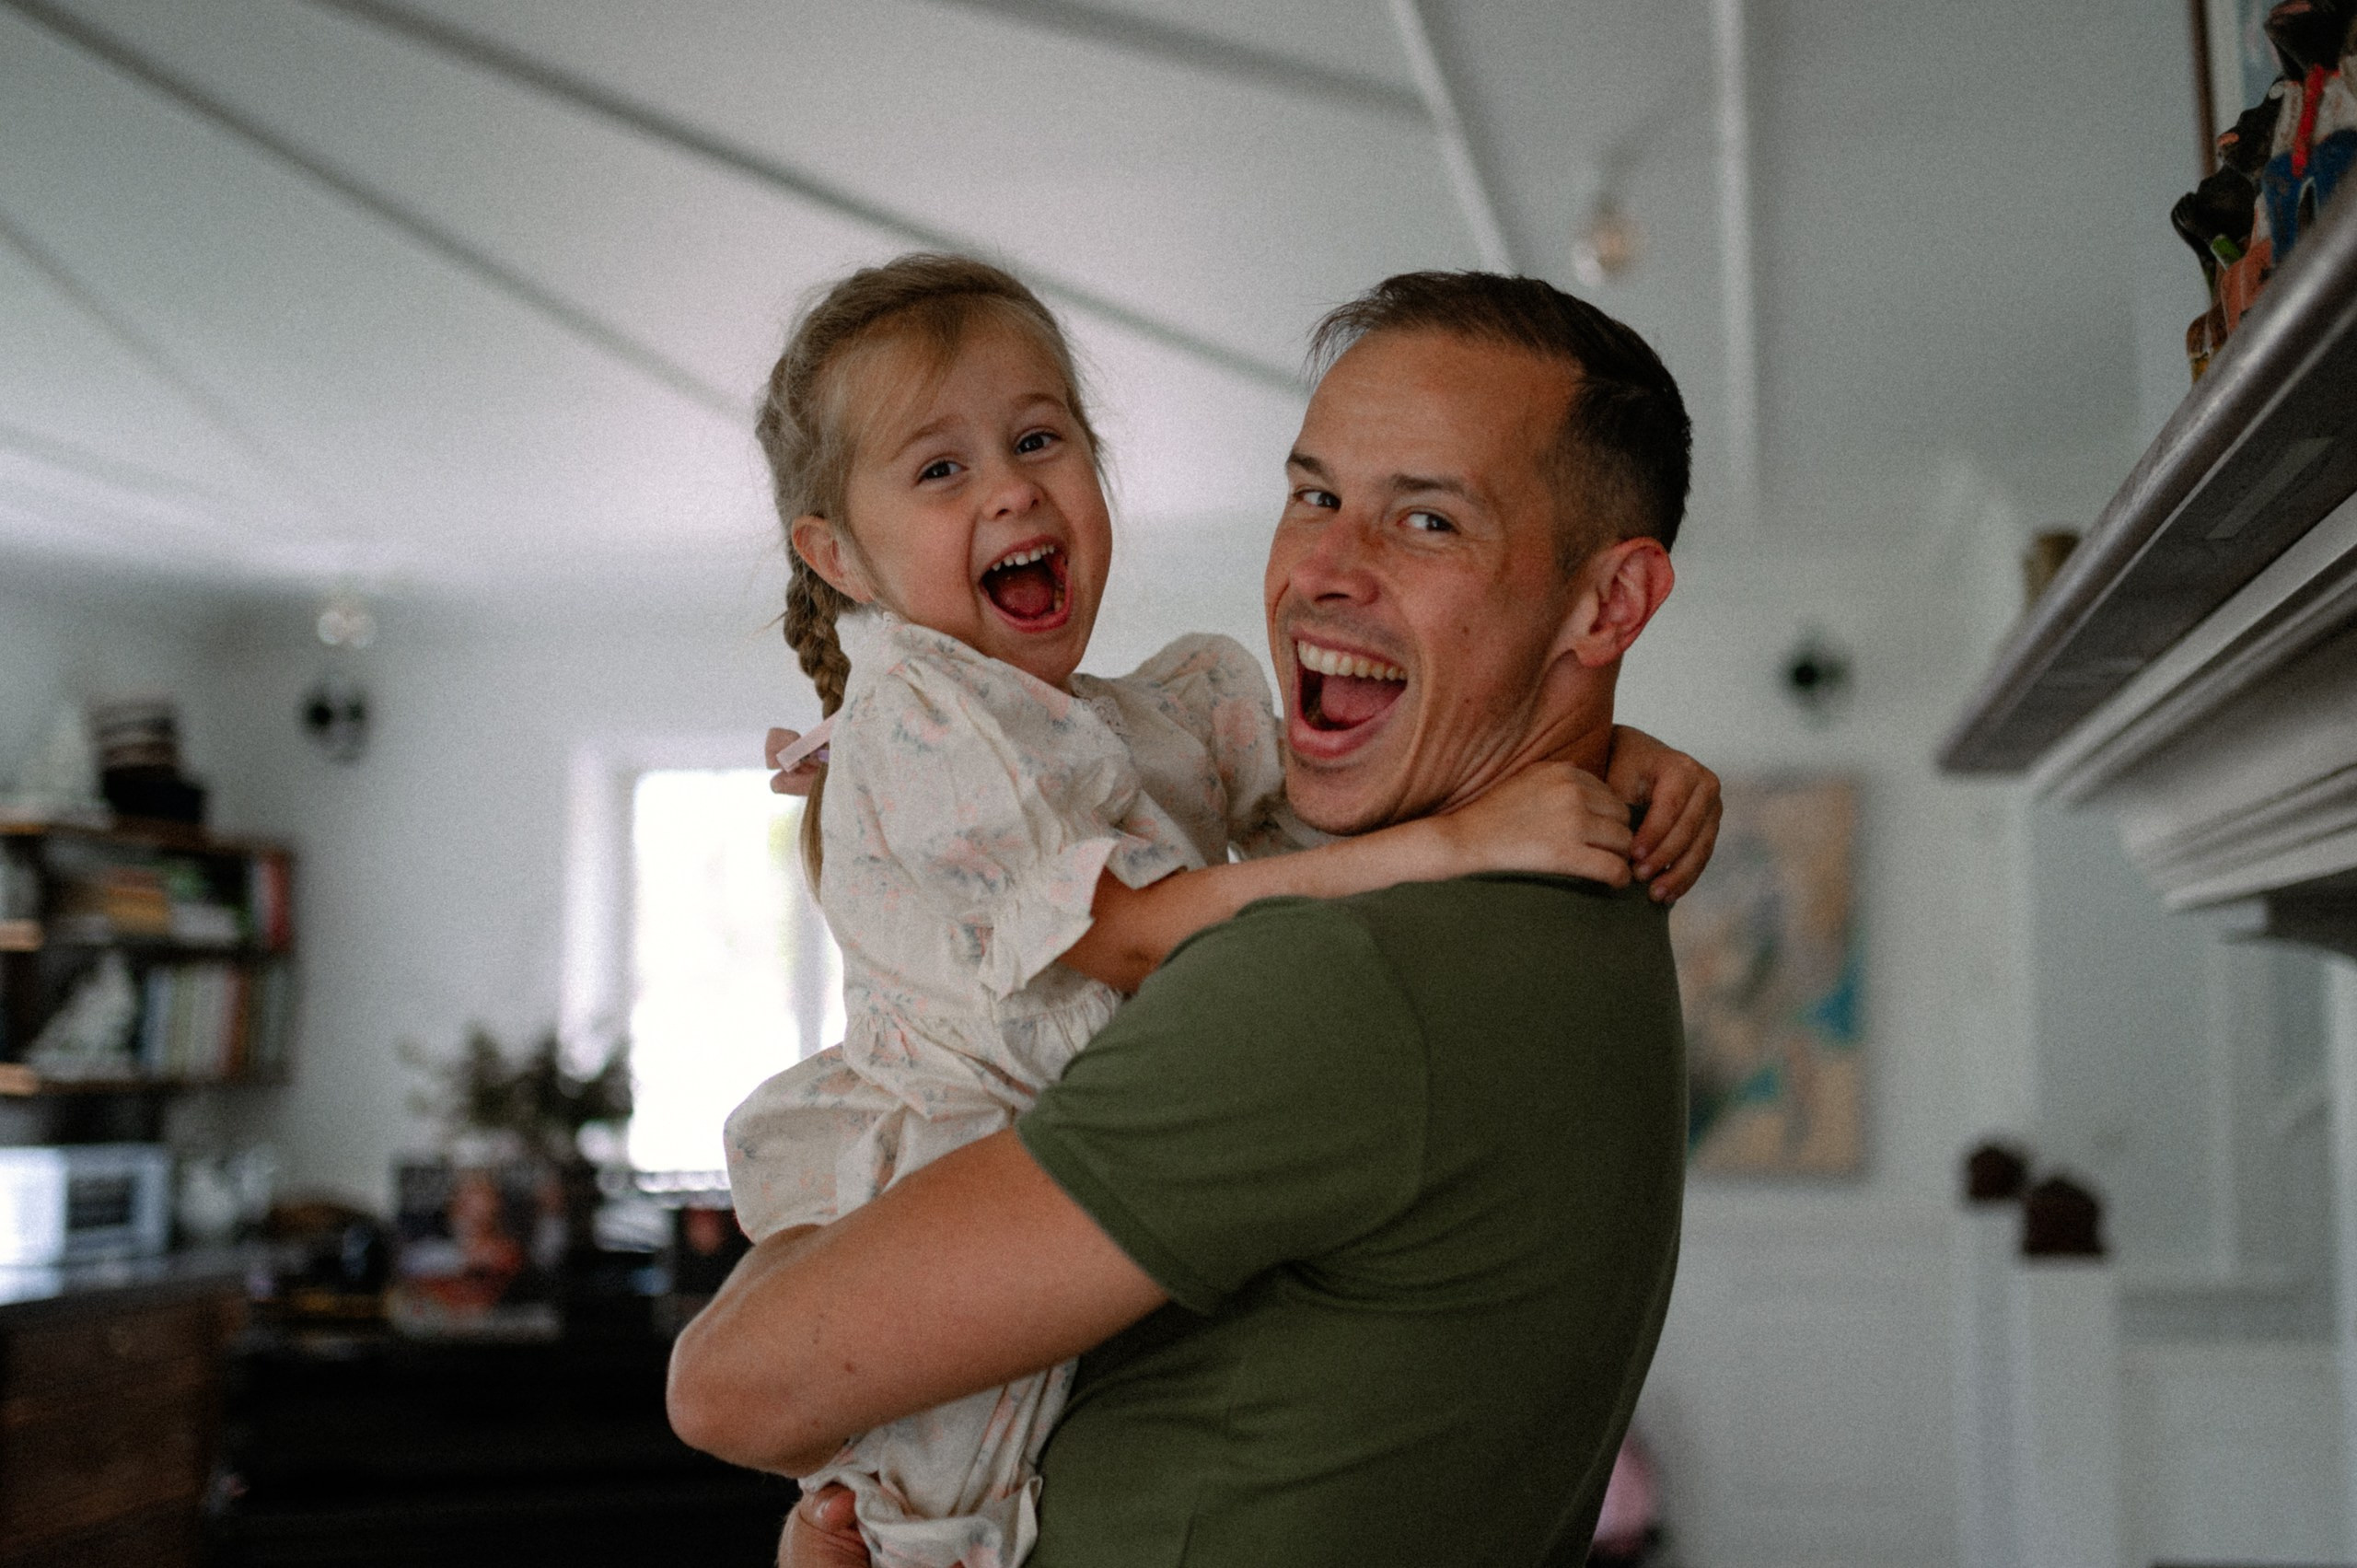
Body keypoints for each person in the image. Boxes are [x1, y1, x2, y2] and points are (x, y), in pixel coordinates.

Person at [672, 267, 1702, 1568]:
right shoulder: (1569, 920)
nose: (1324, 568)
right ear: (839, 552)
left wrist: (777, 1284)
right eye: (1315, 495)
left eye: (1427, 522)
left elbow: (724, 1388)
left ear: (1607, 606)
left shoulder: (1347, 978)